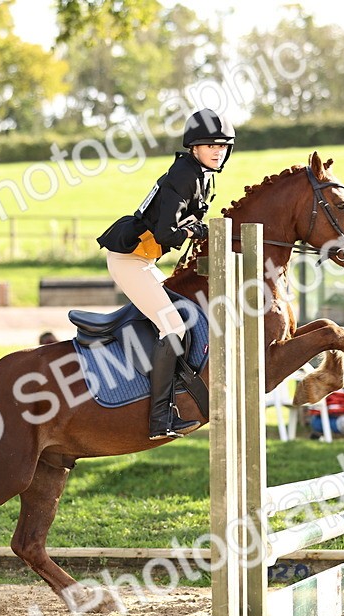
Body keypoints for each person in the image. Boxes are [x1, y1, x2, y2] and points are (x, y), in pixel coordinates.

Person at [96, 108, 235, 440]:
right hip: (129, 260)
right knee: (172, 324)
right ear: (194, 148)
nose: (218, 151)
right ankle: (159, 418)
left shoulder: (203, 175)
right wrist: (193, 231)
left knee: (184, 315)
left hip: (145, 261)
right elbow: (166, 233)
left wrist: (196, 230)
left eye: (223, 146)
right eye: (211, 145)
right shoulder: (183, 174)